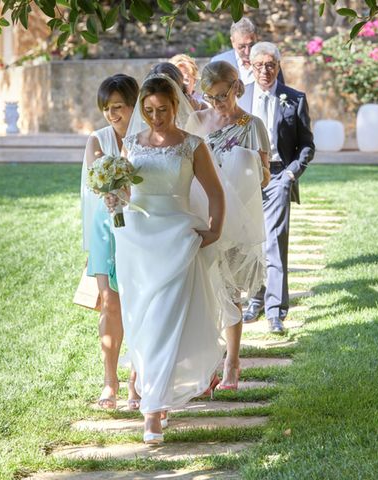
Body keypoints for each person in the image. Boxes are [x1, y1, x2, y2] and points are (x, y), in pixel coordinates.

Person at [109, 74, 228, 444]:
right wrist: (113, 199)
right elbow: (126, 192)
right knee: (142, 323)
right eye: (148, 111)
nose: (156, 117)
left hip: (177, 238)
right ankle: (152, 395)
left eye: (162, 110)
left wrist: (215, 230)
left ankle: (154, 413)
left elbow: (216, 194)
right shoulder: (132, 143)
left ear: (175, 106)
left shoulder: (192, 145)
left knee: (164, 322)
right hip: (137, 241)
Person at [187, 60, 270, 390]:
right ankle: (207, 365)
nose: (217, 104)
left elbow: (265, 175)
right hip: (203, 212)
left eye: (222, 95)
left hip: (239, 216)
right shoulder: (197, 122)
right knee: (204, 291)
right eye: (210, 97)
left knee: (232, 292)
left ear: (237, 87)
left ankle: (232, 363)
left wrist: (243, 168)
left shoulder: (253, 125)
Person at [237, 42, 315, 334]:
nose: (265, 71)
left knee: (274, 242)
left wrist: (292, 173)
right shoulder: (241, 101)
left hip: (280, 175)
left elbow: (307, 144)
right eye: (259, 65)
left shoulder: (293, 99)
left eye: (270, 65)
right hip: (246, 178)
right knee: (251, 243)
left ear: (278, 67)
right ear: (251, 67)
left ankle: (275, 310)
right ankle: (254, 301)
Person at [79, 74, 141, 409]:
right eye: (106, 107)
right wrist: (109, 192)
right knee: (109, 302)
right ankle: (109, 382)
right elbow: (95, 183)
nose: (112, 114)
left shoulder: (145, 138)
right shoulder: (97, 139)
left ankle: (136, 381)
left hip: (138, 227)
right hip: (105, 227)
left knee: (136, 303)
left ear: (133, 105)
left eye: (118, 106)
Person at [211, 18, 285, 86]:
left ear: (257, 39)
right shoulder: (218, 63)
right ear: (232, 41)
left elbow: (281, 94)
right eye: (242, 47)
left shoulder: (270, 62)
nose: (247, 52)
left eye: (251, 45)